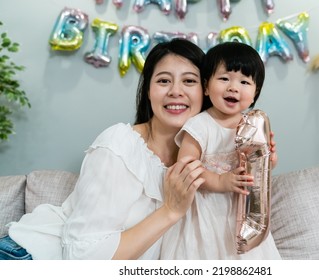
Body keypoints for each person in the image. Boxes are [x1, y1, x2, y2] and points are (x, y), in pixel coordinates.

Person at [0, 38, 206, 260]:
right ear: (148, 90)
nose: (176, 91)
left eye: (189, 81)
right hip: (29, 256)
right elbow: (83, 258)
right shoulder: (119, 144)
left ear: (206, 91)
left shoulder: (207, 164)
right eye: (164, 80)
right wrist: (170, 211)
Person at [160, 41, 281, 259]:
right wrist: (219, 181)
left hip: (243, 214)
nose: (233, 87)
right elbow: (186, 166)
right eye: (224, 78)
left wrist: (268, 160)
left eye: (244, 82)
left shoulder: (253, 125)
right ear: (206, 86)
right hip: (206, 214)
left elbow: (258, 171)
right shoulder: (200, 125)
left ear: (255, 93)